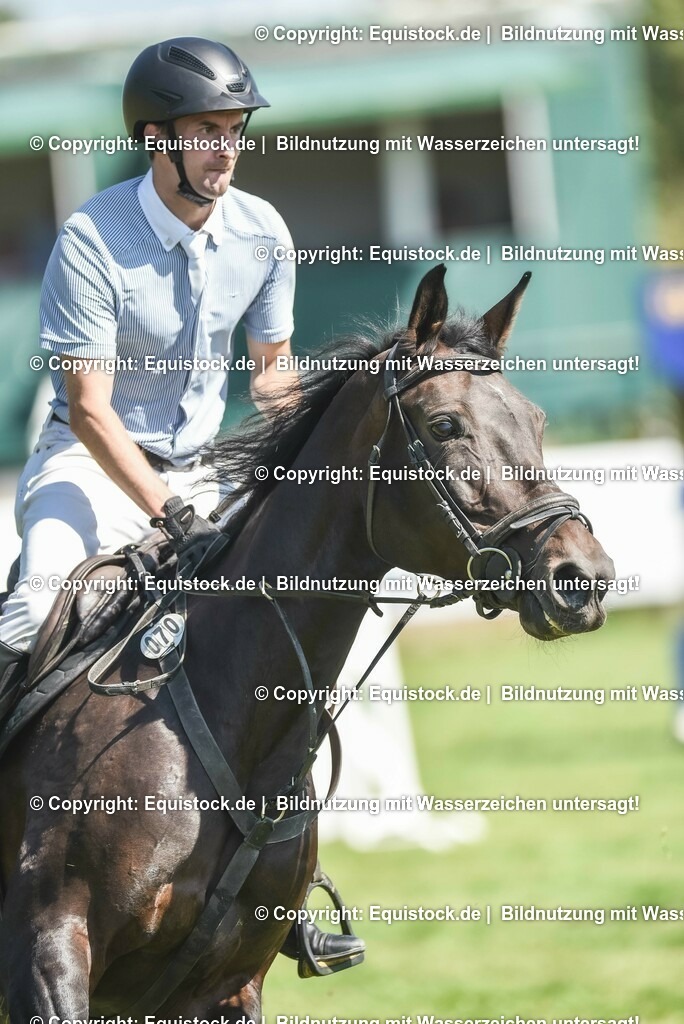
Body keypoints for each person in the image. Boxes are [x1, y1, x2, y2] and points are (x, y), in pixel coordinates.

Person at [0, 36, 363, 977]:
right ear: (155, 138)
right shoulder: (92, 239)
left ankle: (278, 891)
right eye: (207, 130)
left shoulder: (263, 232)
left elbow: (273, 379)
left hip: (208, 466)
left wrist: (300, 467)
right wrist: (167, 508)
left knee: (281, 628)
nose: (226, 148)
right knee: (33, 608)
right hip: (92, 467)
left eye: (235, 130)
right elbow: (86, 409)